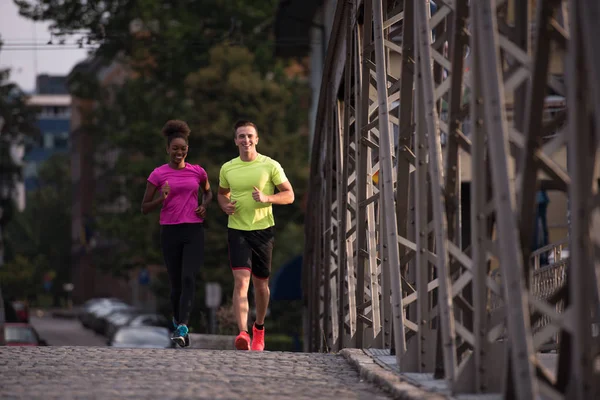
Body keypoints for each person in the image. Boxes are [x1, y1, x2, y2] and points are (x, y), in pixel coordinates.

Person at [218, 120, 294, 351]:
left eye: (250, 136)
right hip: (237, 229)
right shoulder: (228, 168)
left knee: (261, 285)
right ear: (235, 141)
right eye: (241, 136)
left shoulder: (270, 165)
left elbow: (289, 195)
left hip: (263, 230)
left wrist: (267, 198)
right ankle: (242, 332)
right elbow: (222, 194)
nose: (246, 140)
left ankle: (258, 327)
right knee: (241, 281)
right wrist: (224, 206)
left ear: (257, 139)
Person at [141, 120, 212, 347]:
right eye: (175, 149)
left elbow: (208, 193)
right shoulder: (158, 174)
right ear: (167, 150)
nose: (179, 153)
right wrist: (162, 197)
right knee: (176, 285)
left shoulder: (198, 172)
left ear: (187, 150)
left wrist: (204, 204)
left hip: (193, 230)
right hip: (170, 231)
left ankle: (183, 325)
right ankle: (177, 320)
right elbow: (144, 207)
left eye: (183, 149)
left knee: (189, 277)